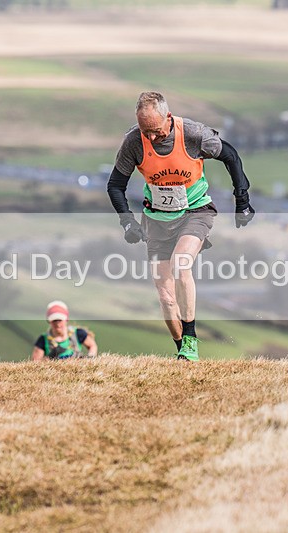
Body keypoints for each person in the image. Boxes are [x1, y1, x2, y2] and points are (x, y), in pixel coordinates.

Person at [107, 91, 255, 362]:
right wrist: (127, 221)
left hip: (195, 212)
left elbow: (231, 156)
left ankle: (191, 337)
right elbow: (115, 185)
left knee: (181, 264)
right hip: (156, 220)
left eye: (155, 131)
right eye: (144, 131)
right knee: (165, 297)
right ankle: (184, 352)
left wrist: (241, 200)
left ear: (169, 118)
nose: (150, 138)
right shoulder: (133, 143)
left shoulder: (193, 134)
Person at [32, 300, 97, 361]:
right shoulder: (43, 339)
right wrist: (50, 356)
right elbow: (35, 363)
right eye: (54, 320)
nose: (57, 324)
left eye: (60, 320)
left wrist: (90, 357)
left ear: (66, 320)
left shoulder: (78, 333)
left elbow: (92, 345)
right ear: (49, 321)